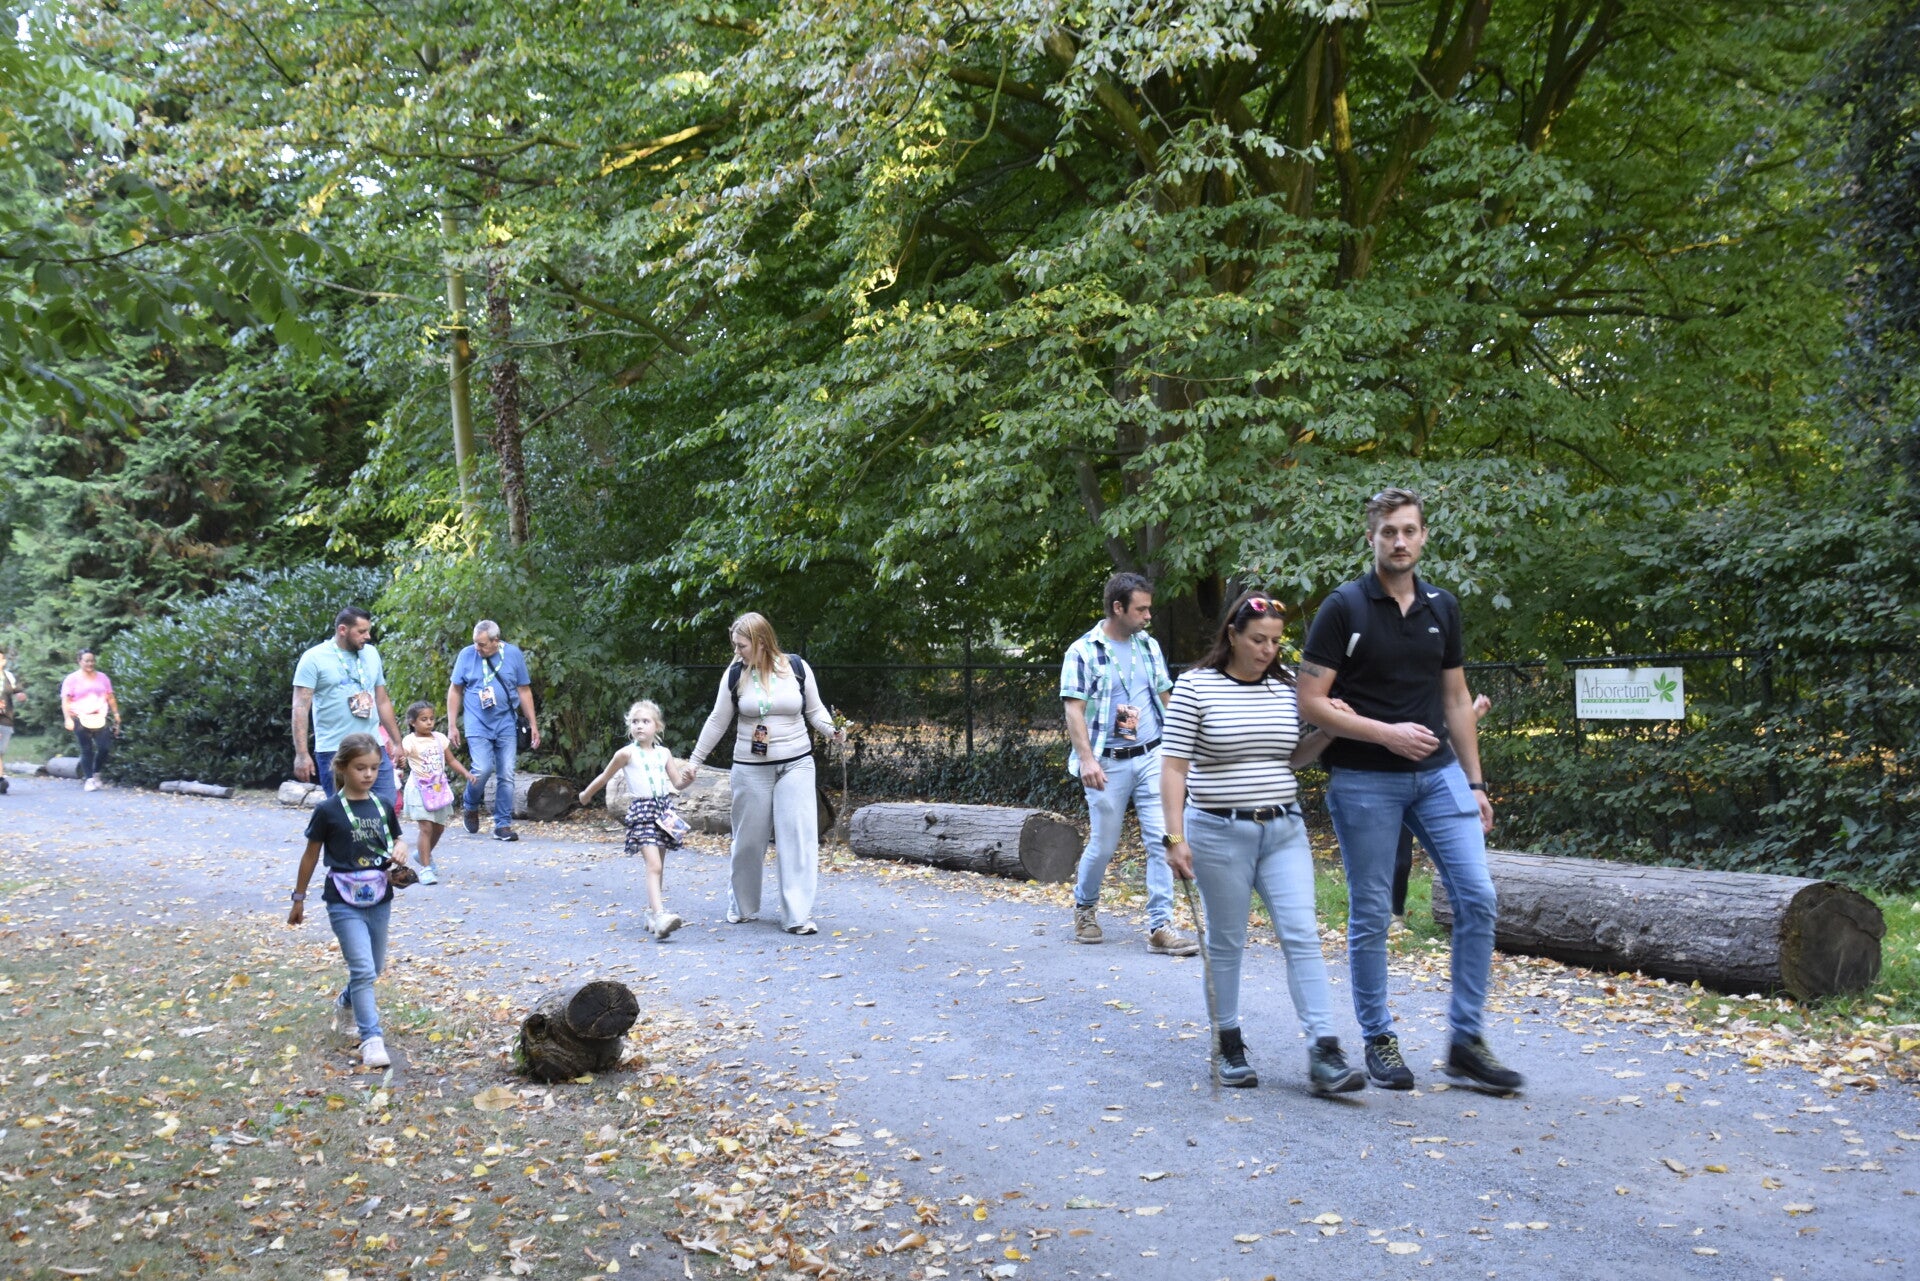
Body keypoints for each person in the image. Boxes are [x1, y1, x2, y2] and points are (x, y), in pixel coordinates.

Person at [1297, 488, 1521, 1093]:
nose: (1400, 541)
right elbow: (1311, 701)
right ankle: (1379, 1037)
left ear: (1423, 536)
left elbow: (1456, 698)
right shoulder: (1343, 607)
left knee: (1477, 897)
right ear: (1371, 537)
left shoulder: (1442, 607)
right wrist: (1386, 734)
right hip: (1364, 778)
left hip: (1440, 775)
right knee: (1373, 912)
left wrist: (1475, 782)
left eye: (1409, 531)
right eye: (1389, 531)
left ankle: (1466, 1042)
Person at [1159, 590, 1364, 1094]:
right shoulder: (1195, 687)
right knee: (1227, 941)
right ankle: (1228, 1044)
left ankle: (1325, 1052)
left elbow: (1289, 757)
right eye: (1257, 640)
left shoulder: (1286, 687)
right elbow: (1174, 767)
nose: (1268, 650)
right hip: (1217, 830)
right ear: (1232, 636)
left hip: (1283, 828)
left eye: (1275, 641)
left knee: (1302, 935)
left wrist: (1328, 731)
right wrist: (1174, 837)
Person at [1060, 572, 1198, 957]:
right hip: (1107, 764)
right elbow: (1074, 709)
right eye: (1142, 609)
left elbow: (1166, 696)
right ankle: (1085, 908)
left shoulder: (1147, 646)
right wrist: (1087, 760)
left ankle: (1160, 926)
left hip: (1153, 756)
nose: (1148, 616)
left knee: (1163, 839)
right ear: (1118, 608)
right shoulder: (1083, 651)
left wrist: (1182, 749)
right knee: (1104, 844)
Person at [682, 613, 843, 935]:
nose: (737, 651)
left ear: (761, 642)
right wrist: (695, 761)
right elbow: (717, 720)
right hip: (750, 767)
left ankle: (797, 915)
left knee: (797, 838)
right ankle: (742, 906)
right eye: (735, 645)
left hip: (796, 763)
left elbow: (814, 710)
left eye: (741, 645)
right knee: (748, 841)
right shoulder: (735, 674)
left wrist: (833, 730)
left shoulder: (796, 667)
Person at [287, 733, 412, 1069]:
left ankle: (346, 1003)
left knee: (374, 969)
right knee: (362, 969)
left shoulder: (382, 805)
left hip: (379, 896)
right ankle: (371, 1039)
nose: (368, 774)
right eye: (360, 768)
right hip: (342, 900)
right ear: (342, 767)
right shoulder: (327, 810)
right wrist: (298, 899)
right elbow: (310, 855)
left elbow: (398, 838)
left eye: (374, 767)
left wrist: (401, 848)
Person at [580, 700, 688, 941]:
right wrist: (586, 794)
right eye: (635, 722)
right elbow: (604, 776)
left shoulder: (664, 753)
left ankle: (651, 912)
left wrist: (688, 779)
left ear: (657, 726)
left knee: (659, 865)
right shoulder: (625, 753)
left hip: (663, 812)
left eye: (645, 721)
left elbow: (678, 782)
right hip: (642, 812)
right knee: (654, 865)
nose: (639, 726)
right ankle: (660, 916)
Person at [1391, 692, 1492, 930]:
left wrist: (1472, 716)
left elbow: (1444, 748)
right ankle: (1386, 914)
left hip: (1426, 792)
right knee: (1394, 859)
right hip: (1385, 786)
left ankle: (1395, 914)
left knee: (1403, 861)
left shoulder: (1432, 710)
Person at [293, 607, 404, 808]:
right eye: (361, 631)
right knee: (344, 813)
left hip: (373, 746)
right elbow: (300, 707)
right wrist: (302, 754)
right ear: (343, 630)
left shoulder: (371, 654)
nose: (367, 636)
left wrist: (397, 742)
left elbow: (382, 700)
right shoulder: (314, 658)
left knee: (386, 806)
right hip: (335, 749)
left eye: (368, 631)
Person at [446, 620, 540, 842]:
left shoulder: (513, 655)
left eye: (481, 644)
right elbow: (455, 690)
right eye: (475, 643)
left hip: (506, 721)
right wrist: (452, 725)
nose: (476, 648)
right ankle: (470, 804)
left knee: (507, 773)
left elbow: (524, 690)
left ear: (496, 641)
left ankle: (502, 825)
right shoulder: (466, 655)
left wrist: (533, 724)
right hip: (476, 722)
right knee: (483, 768)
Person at [396, 701, 472, 886]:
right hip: (420, 790)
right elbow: (402, 756)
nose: (429, 722)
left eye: (431, 718)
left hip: (438, 789)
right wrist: (400, 761)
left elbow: (451, 760)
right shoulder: (410, 741)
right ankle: (426, 868)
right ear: (413, 722)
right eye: (424, 719)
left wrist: (466, 773)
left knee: (439, 828)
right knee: (426, 828)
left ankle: (423, 854)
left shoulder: (439, 738)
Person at [60, 650, 121, 791]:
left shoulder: (103, 678)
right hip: (79, 717)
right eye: (87, 661)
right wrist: (67, 718)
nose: (90, 663)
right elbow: (66, 700)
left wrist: (116, 714)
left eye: (92, 660)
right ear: (79, 661)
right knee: (86, 749)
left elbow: (110, 697)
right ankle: (89, 779)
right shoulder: (71, 679)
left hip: (99, 716)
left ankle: (96, 772)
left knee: (104, 748)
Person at [0, 649, 25, 794]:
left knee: (1, 750)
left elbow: (18, 691)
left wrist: (21, 696)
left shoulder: (9, 676)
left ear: (4, 661)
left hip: (5, 719)